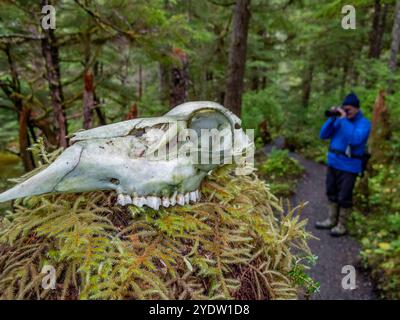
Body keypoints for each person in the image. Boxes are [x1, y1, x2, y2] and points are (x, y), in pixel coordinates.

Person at [315, 92, 371, 236]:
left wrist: (343, 119)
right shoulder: (340, 120)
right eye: (344, 109)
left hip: (350, 166)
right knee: (331, 192)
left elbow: (355, 139)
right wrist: (333, 118)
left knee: (344, 196)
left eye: (349, 109)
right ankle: (331, 220)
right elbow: (323, 135)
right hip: (333, 162)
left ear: (357, 108)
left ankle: (341, 225)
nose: (346, 112)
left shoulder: (364, 123)